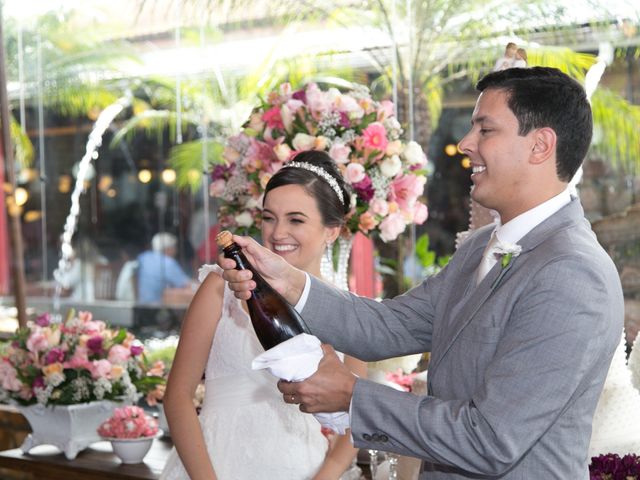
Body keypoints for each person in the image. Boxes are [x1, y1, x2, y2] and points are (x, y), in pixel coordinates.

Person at [220, 67, 624, 479]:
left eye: (485, 130)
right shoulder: (478, 249)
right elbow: (389, 325)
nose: (466, 144)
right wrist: (286, 280)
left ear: (540, 145)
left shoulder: (572, 273)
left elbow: (491, 439)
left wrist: (352, 394)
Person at [161, 150, 367, 480]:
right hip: (215, 463)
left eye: (295, 220)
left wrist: (325, 474)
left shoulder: (349, 310)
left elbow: (360, 410)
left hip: (303, 467)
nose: (277, 232)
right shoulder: (222, 287)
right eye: (269, 217)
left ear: (332, 230)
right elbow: (178, 397)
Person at [136, 232, 192, 304]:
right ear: (167, 249)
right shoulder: (167, 262)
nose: (176, 251)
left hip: (141, 305)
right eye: (174, 247)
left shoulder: (144, 257)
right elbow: (186, 284)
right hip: (158, 308)